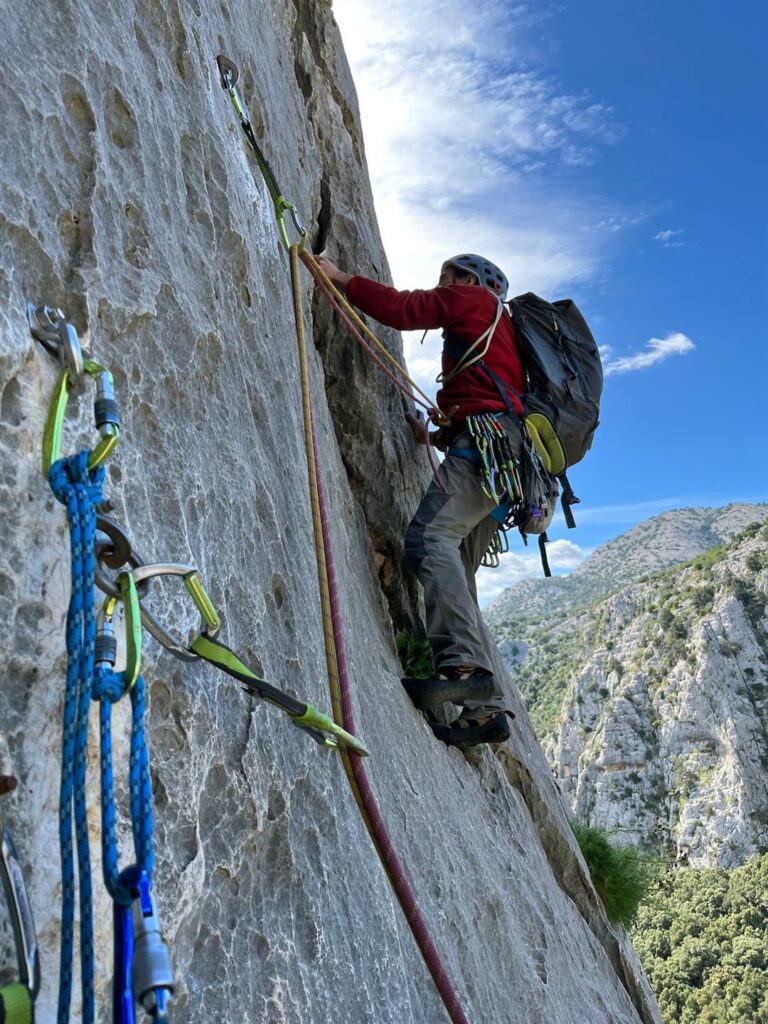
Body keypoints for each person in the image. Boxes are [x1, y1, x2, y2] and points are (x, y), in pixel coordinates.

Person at [315, 253, 522, 745]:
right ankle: (484, 712)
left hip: (486, 452)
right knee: (457, 570)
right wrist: (432, 438)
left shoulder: (473, 298)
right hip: (508, 468)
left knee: (430, 539)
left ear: (469, 280)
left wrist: (341, 278)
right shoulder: (503, 333)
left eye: (445, 278)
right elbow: (489, 395)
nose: (441, 286)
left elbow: (404, 310)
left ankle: (462, 668)